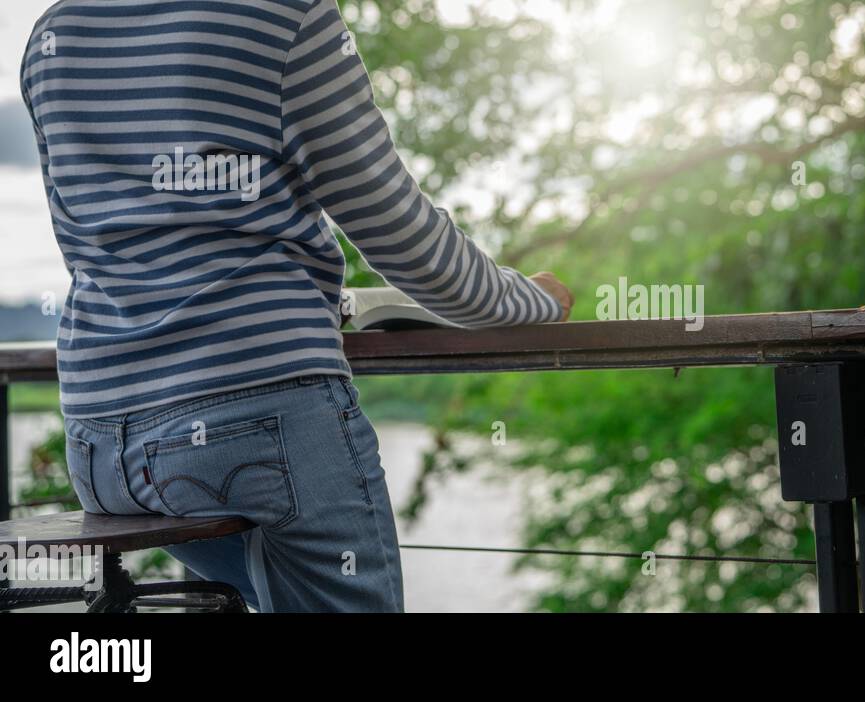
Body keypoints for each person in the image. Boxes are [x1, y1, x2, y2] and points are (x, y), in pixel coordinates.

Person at [20, 0, 574, 612]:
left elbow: (100, 243)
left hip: (101, 446)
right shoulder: (284, 15)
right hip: (261, 421)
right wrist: (530, 301)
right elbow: (401, 235)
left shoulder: (56, 32)